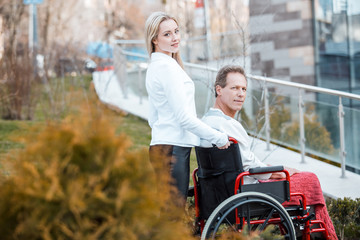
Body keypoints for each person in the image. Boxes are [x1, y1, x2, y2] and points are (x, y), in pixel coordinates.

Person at [200, 65, 337, 239]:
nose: (241, 94)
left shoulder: (207, 121)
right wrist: (279, 172)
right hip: (245, 191)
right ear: (219, 89)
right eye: (234, 88)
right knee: (309, 179)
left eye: (244, 89)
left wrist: (268, 168)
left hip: (217, 192)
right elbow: (250, 165)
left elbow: (243, 160)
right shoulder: (228, 125)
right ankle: (319, 234)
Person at [144, 12, 230, 200]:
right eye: (167, 34)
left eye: (176, 31)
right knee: (172, 217)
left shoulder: (156, 66)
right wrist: (218, 137)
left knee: (167, 215)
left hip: (162, 146)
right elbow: (184, 118)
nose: (175, 38)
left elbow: (153, 118)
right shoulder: (167, 68)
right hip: (172, 149)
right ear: (155, 39)